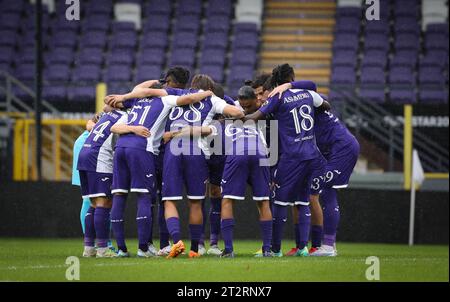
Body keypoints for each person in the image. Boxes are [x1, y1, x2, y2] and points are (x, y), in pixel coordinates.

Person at [107, 86, 214, 258]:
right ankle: (143, 248)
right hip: (142, 148)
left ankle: (121, 249)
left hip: (120, 148)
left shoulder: (135, 105)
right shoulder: (165, 100)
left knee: (119, 195)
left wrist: (131, 124)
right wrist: (207, 93)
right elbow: (187, 100)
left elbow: (113, 126)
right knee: (144, 196)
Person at [244, 63, 330, 257]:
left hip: (292, 157)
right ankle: (302, 248)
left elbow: (256, 116)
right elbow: (326, 105)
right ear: (292, 77)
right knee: (302, 201)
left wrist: (232, 121)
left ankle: (275, 249)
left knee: (280, 202)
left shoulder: (278, 97)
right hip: (311, 155)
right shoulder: (307, 94)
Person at [269, 82, 360, 256]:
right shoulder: (304, 102)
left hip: (341, 148)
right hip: (327, 151)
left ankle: (327, 246)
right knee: (315, 192)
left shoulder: (308, 98)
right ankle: (324, 245)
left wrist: (288, 85)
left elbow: (311, 85)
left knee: (325, 190)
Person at [77, 106, 127, 258]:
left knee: (93, 203)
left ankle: (89, 248)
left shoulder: (109, 114)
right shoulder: (125, 116)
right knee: (104, 203)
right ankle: (103, 249)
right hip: (99, 158)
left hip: (85, 153)